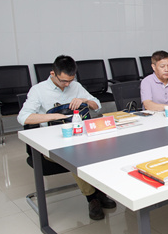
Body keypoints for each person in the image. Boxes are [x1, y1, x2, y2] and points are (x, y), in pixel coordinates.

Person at [17, 55, 116, 220]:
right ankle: (92, 198)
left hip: (79, 136)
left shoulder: (75, 86)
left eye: (70, 80)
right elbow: (23, 117)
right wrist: (54, 117)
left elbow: (97, 106)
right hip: (53, 143)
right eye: (64, 81)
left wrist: (84, 100)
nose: (67, 85)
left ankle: (100, 191)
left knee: (105, 147)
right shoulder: (39, 90)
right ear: (53, 74)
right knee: (77, 154)